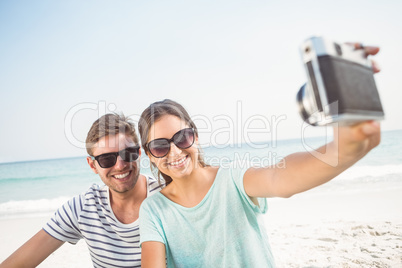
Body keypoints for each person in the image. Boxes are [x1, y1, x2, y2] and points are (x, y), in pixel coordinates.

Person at [137, 46, 382, 267]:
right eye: (160, 146)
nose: (176, 151)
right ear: (150, 155)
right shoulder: (154, 211)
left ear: (196, 136)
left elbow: (279, 177)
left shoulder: (232, 180)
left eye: (182, 138)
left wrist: (343, 148)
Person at [0, 113, 164, 268]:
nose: (120, 165)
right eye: (107, 159)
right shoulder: (84, 208)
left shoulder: (168, 197)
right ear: (92, 165)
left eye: (127, 153)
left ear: (139, 153)